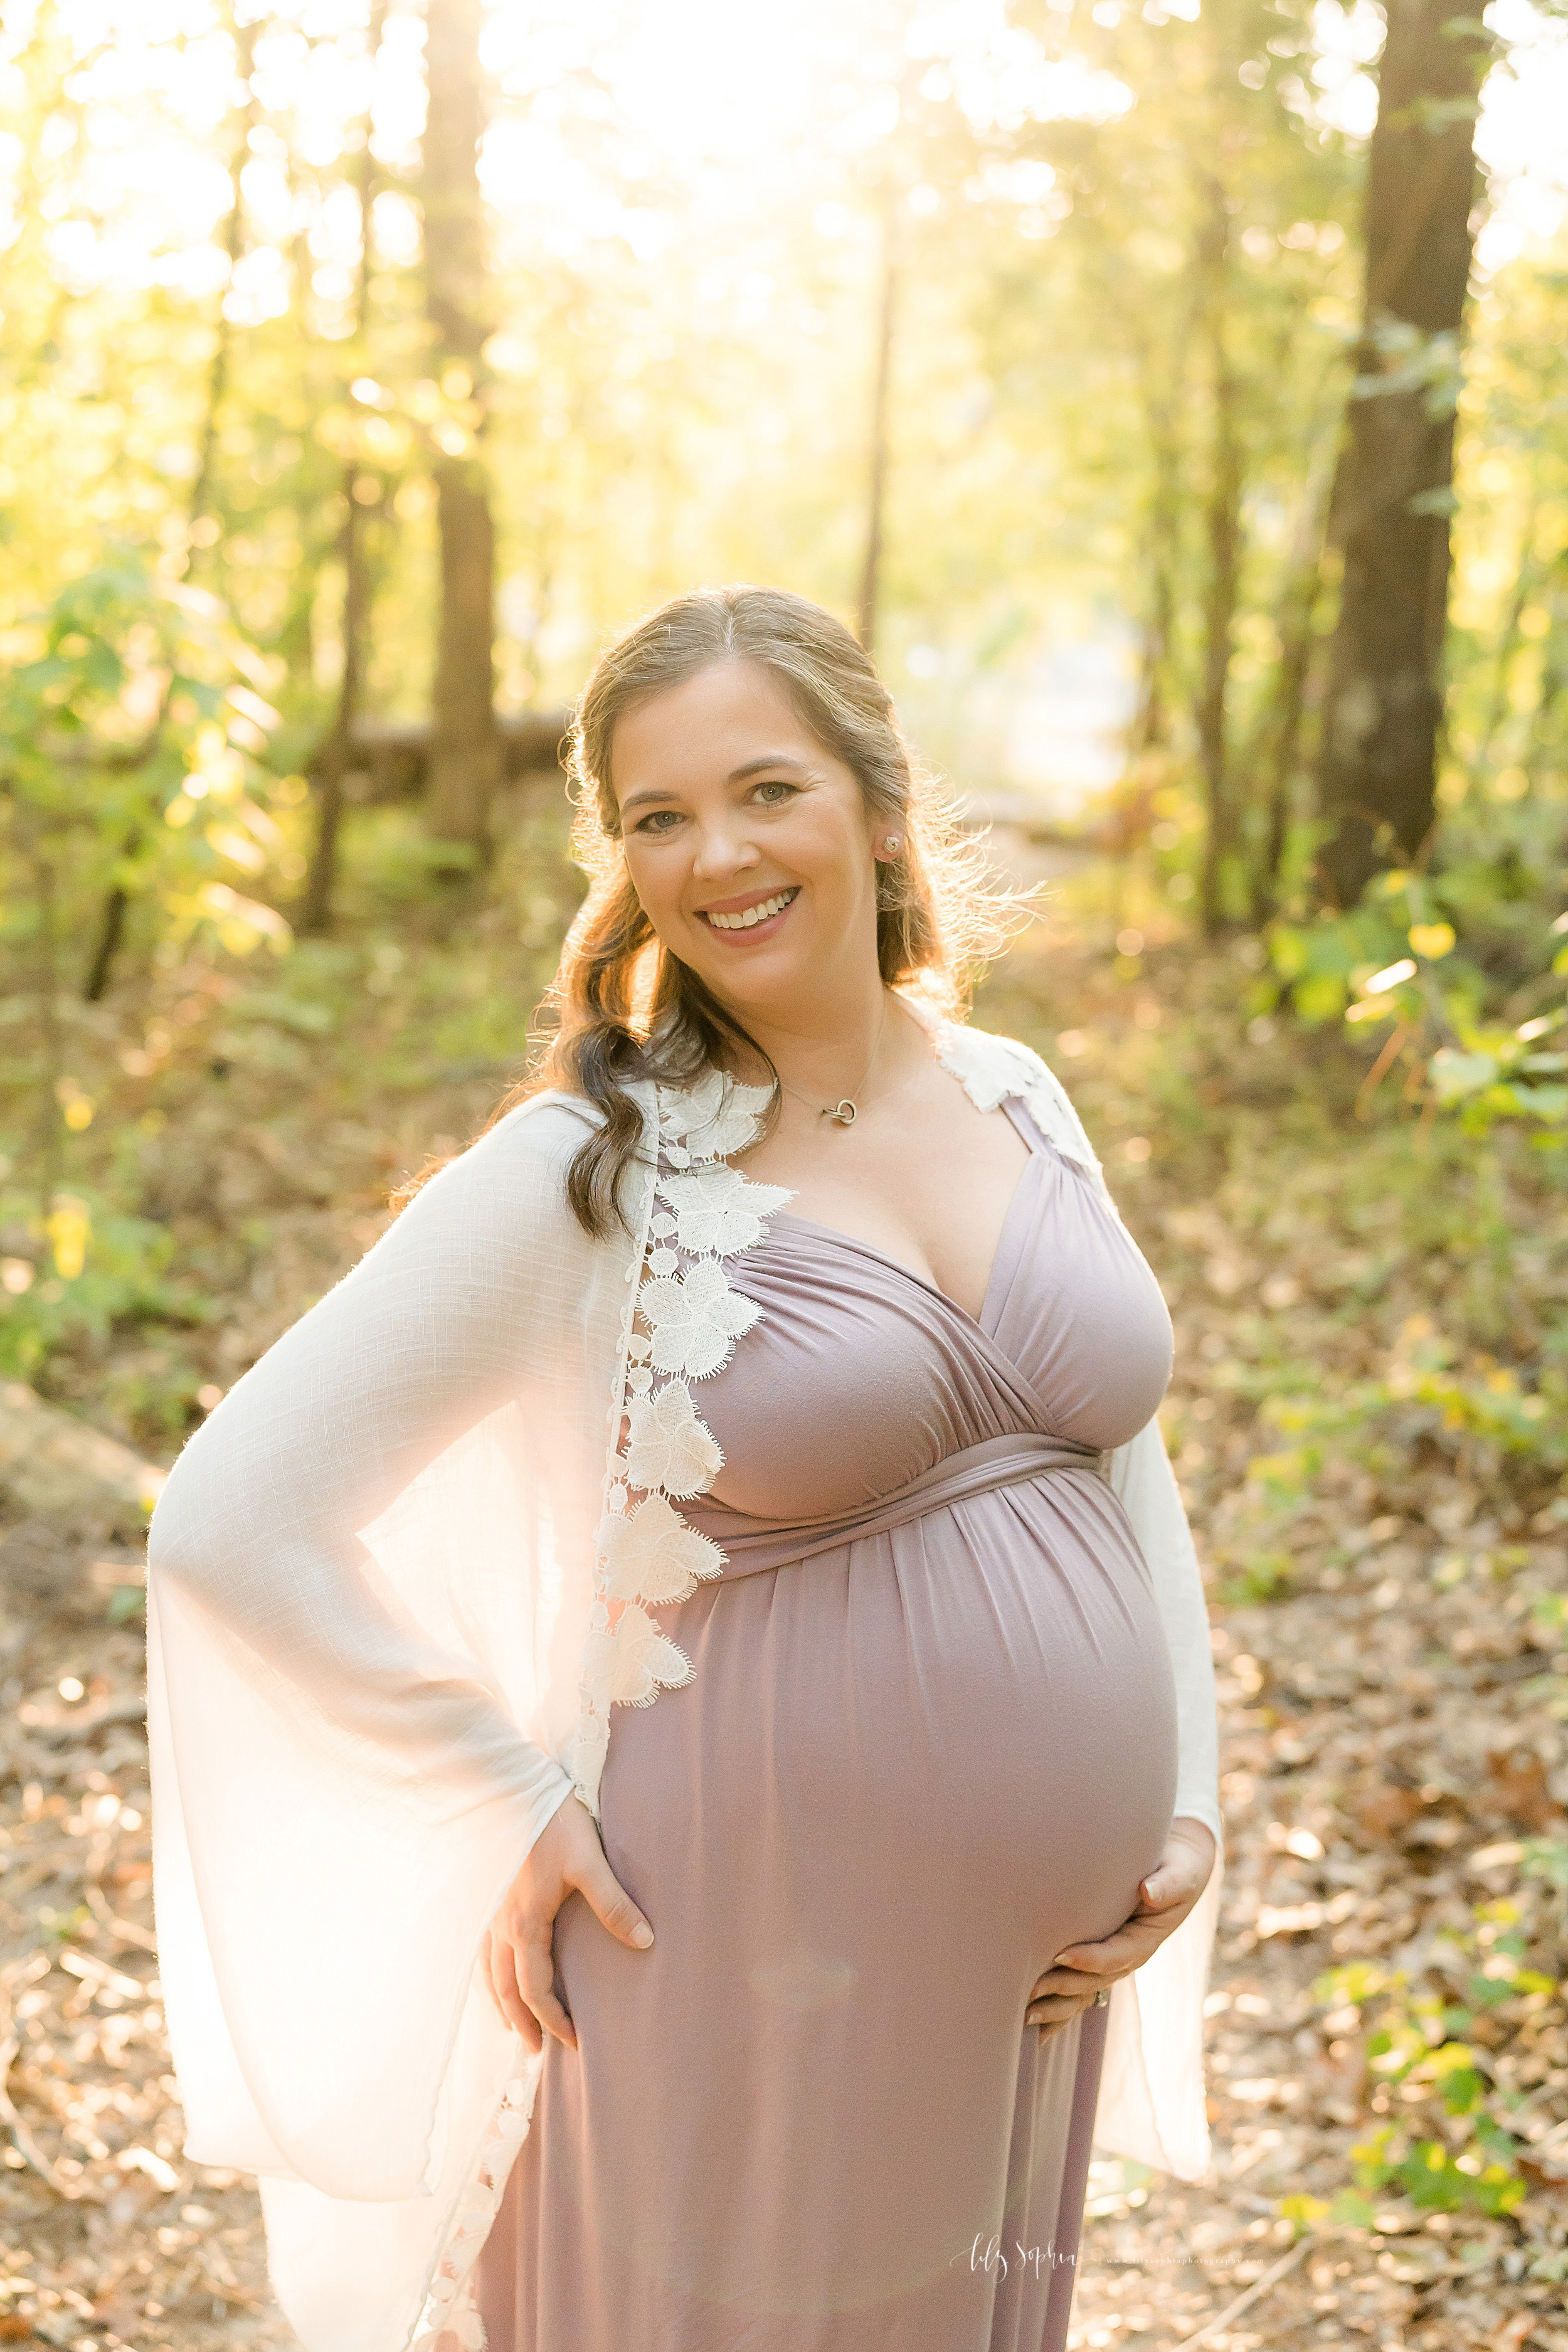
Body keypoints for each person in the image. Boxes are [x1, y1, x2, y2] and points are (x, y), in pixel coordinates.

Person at [146, 585, 1222, 2352]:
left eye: (765, 789)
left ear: (880, 808)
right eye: (658, 816)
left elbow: (1120, 1475)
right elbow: (231, 1517)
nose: (716, 852)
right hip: (730, 1944)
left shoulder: (1020, 1093)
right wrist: (506, 1793)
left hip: (1019, 1992)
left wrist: (1177, 1800)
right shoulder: (593, 1167)